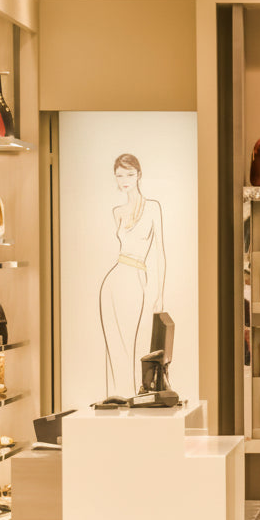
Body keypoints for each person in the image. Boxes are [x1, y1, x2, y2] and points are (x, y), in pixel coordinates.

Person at [98, 153, 166, 397]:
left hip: (137, 277)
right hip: (114, 280)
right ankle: (117, 399)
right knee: (115, 346)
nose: (124, 179)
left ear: (138, 175)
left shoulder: (152, 207)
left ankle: (135, 399)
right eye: (119, 175)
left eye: (129, 174)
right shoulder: (117, 211)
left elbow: (160, 254)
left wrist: (158, 294)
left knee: (135, 345)